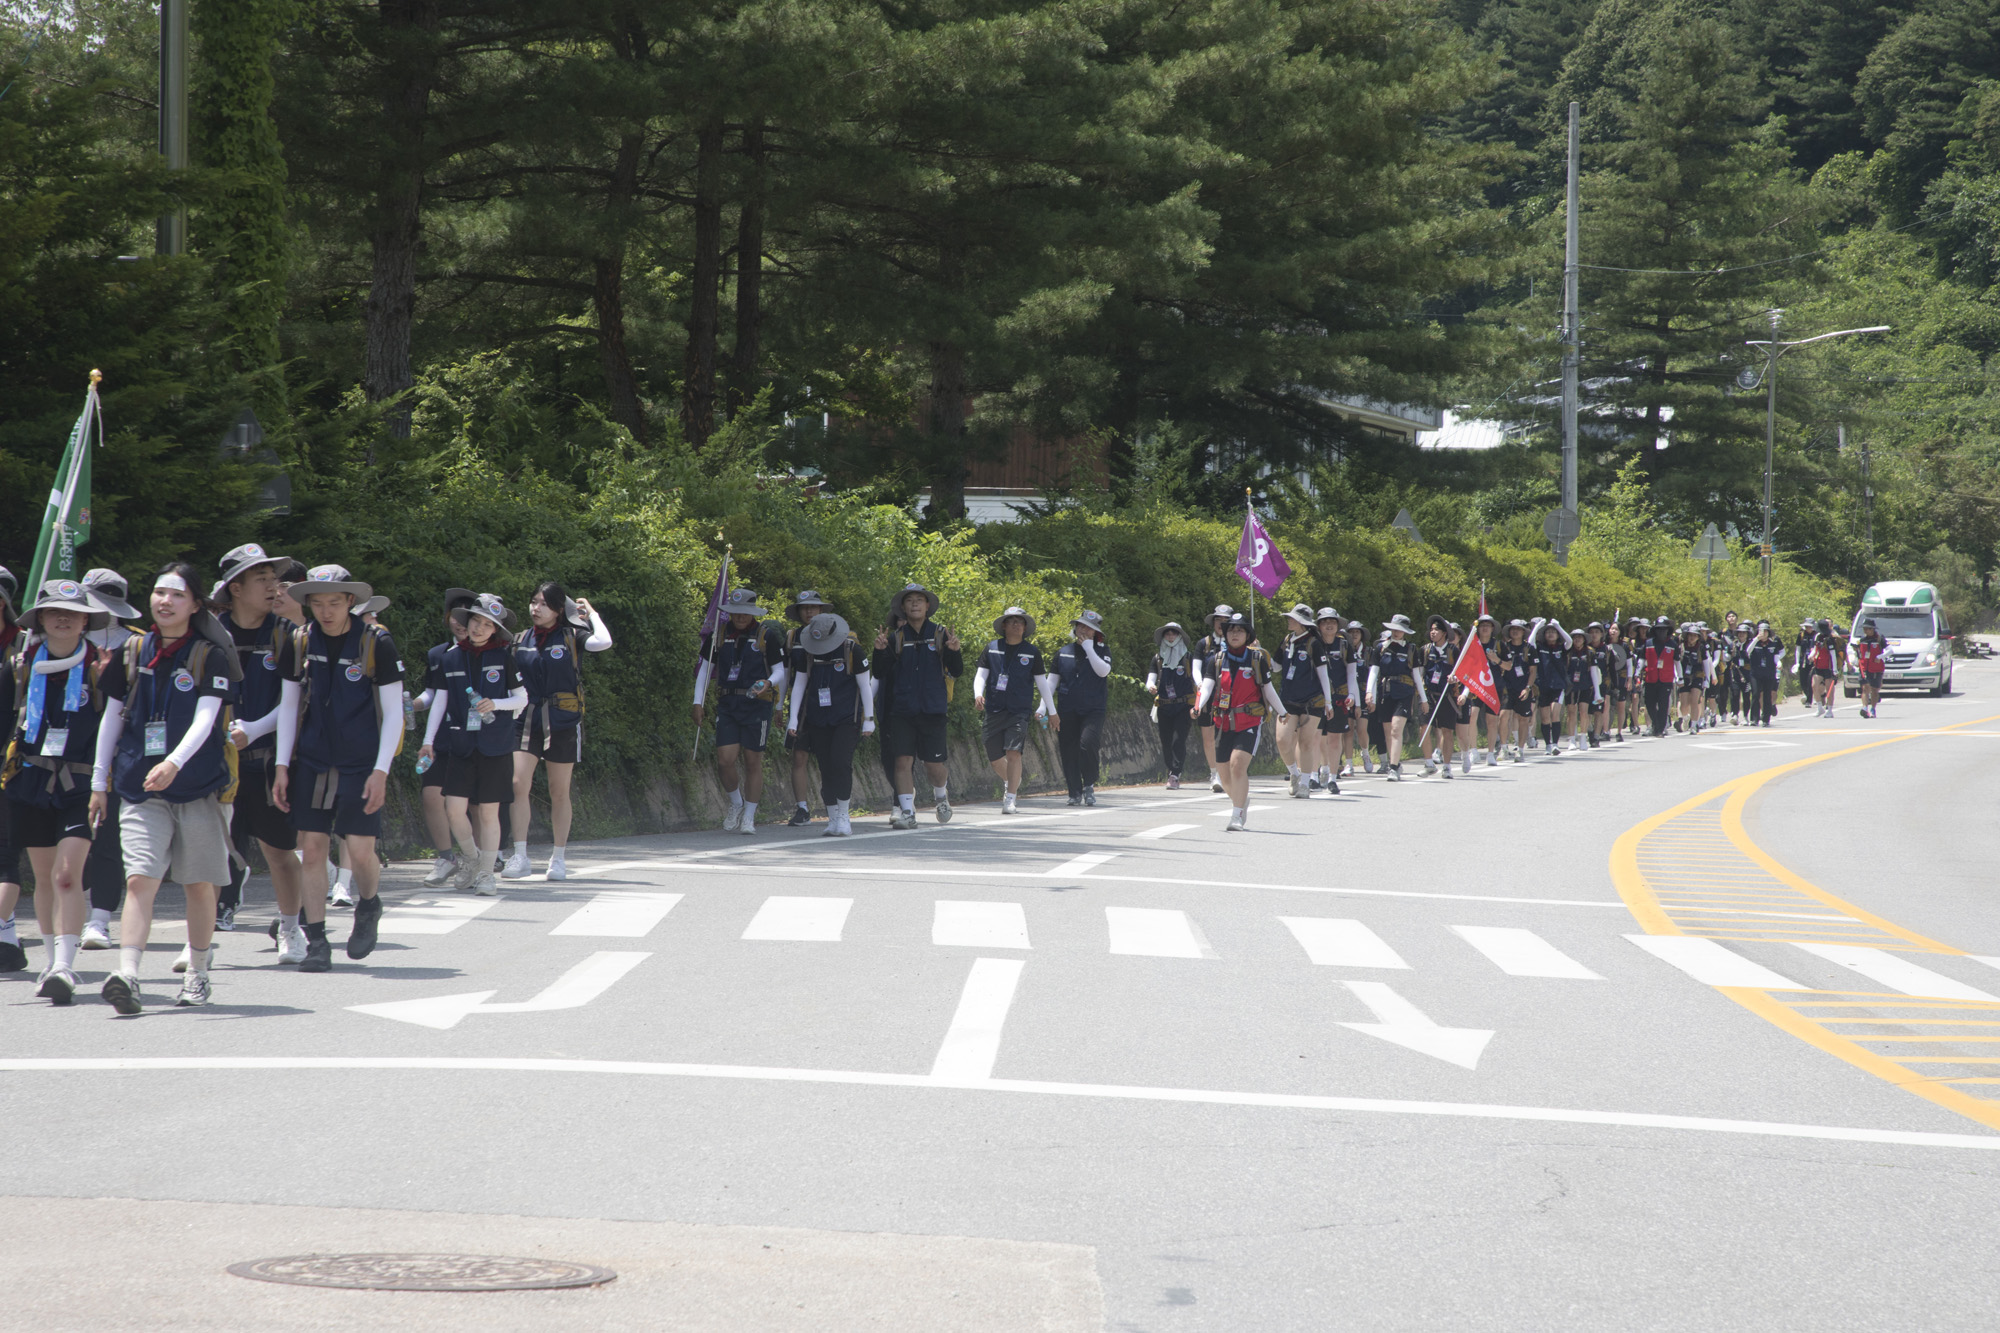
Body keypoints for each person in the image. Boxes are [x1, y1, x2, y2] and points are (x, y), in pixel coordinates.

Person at [85, 562, 244, 1011]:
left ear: (195, 604)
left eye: (176, 595)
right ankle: (128, 974)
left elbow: (206, 717)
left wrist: (174, 762)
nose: (165, 601)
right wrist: (101, 781)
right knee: (140, 879)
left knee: (198, 884)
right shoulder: (133, 651)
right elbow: (111, 718)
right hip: (139, 786)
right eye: (159, 593)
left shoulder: (209, 655)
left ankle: (197, 974)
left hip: (196, 786)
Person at [253, 564, 406, 971]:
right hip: (313, 761)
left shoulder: (376, 643)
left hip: (361, 763)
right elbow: (288, 706)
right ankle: (317, 940)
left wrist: (381, 771)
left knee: (359, 850)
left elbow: (393, 714)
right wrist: (283, 765)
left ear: (350, 602)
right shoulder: (299, 641)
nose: (326, 611)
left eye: (334, 602)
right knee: (314, 847)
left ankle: (369, 905)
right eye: (317, 603)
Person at [2, 580, 115, 1002]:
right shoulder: (20, 665)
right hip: (29, 779)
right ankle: (51, 960)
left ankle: (66, 965)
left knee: (68, 876)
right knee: (46, 877)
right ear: (41, 620)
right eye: (53, 611)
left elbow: (116, 725)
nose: (63, 618)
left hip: (82, 783)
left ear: (86, 619)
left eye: (72, 612)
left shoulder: (102, 668)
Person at [210, 544, 311, 966]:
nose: (274, 588)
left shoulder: (287, 633)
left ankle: (290, 927)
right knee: (211, 855)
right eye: (263, 581)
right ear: (236, 588)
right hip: (216, 764)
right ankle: (199, 941)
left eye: (275, 580)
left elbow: (298, 698)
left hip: (270, 762)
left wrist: (254, 729)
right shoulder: (211, 633)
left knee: (280, 853)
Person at [419, 593, 528, 891]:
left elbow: (522, 698)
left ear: (496, 630)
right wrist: (428, 741)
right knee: (454, 809)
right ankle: (471, 858)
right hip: (461, 745)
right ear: (467, 622)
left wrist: (495, 703)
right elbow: (439, 703)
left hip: (496, 746)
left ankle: (486, 874)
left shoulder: (504, 657)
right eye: (475, 622)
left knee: (489, 812)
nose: (479, 629)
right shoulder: (450, 657)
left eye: (487, 625)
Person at [503, 582, 612, 879]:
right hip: (526, 718)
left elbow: (604, 642)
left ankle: (558, 857)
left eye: (544, 604)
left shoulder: (571, 636)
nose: (536, 608)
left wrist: (591, 614)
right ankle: (520, 856)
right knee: (517, 784)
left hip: (562, 721)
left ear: (557, 610)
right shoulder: (519, 639)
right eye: (533, 602)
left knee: (558, 791)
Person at [693, 589, 789, 835]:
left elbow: (780, 670)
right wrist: (698, 702)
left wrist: (768, 683)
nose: (740, 617)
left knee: (752, 760)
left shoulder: (766, 635)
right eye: (735, 612)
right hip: (728, 704)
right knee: (725, 760)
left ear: (752, 612)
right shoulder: (720, 635)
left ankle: (749, 815)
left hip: (757, 704)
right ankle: (736, 803)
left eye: (744, 612)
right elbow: (705, 668)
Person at [871, 583, 962, 829]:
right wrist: (878, 651)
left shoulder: (941, 634)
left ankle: (941, 796)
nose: (914, 604)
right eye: (909, 600)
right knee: (902, 761)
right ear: (902, 607)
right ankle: (908, 813)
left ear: (927, 606)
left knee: (933, 765)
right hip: (902, 710)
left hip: (933, 709)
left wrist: (954, 652)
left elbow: (956, 671)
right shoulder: (896, 638)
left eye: (919, 600)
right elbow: (879, 672)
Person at [1194, 612, 1288, 830]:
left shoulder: (1256, 660)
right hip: (1223, 722)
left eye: (1240, 630)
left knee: (1238, 765)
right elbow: (1207, 685)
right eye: (1231, 630)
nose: (1235, 633)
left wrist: (1282, 711)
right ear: (1225, 634)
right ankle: (1240, 801)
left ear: (1248, 635)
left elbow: (1268, 688)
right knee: (1224, 774)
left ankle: (1236, 816)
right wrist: (1198, 706)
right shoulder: (1217, 660)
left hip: (1249, 722)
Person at [785, 611, 875, 835]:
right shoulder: (807, 652)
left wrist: (869, 720)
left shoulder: (851, 649)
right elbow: (799, 685)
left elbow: (865, 686)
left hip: (847, 718)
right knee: (825, 766)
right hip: (818, 717)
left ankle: (844, 816)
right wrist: (793, 718)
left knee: (840, 763)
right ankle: (833, 818)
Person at [413, 588, 475, 887]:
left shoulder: (489, 654)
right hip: (442, 738)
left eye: (468, 615)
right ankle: (446, 857)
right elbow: (432, 693)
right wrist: (413, 705)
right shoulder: (438, 655)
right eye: (455, 615)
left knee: (475, 802)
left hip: (476, 738)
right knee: (431, 796)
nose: (461, 622)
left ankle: (478, 856)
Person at [974, 606, 1052, 813]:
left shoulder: (1032, 652)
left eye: (1020, 621)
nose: (1016, 624)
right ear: (1004, 625)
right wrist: (977, 694)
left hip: (1019, 710)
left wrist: (1051, 710)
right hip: (994, 709)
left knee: (1014, 753)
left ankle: (1011, 798)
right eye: (1012, 621)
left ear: (1025, 627)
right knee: (994, 758)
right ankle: (1011, 781)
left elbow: (1042, 683)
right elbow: (981, 675)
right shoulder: (991, 648)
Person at [779, 590, 831, 827]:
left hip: (829, 704)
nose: (809, 611)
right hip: (800, 706)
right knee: (799, 756)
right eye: (804, 607)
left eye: (813, 607)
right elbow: (786, 673)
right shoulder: (792, 637)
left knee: (829, 757)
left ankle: (835, 804)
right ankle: (802, 809)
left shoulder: (833, 634)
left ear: (821, 610)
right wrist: (780, 706)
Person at [1053, 610, 1113, 807]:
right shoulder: (1063, 652)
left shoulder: (1102, 650)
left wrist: (1089, 647)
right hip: (1067, 708)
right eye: (1080, 625)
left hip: (1093, 709)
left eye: (1088, 627)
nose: (1082, 630)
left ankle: (1089, 784)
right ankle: (1074, 791)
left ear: (1095, 632)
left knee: (1087, 744)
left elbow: (1103, 671)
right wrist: (1043, 707)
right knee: (1068, 749)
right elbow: (1052, 681)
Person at [1366, 614, 1426, 780]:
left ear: (1405, 631)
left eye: (1400, 630)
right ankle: (1396, 763)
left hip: (1404, 693)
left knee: (1395, 729)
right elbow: (1374, 671)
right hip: (1385, 692)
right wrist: (1369, 692)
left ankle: (1392, 768)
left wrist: (1424, 699)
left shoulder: (1411, 649)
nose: (1396, 632)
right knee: (1387, 731)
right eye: (1394, 629)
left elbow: (1416, 676)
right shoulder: (1380, 648)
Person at [1274, 604, 1326, 798]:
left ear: (1302, 622)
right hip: (1287, 699)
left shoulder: (1314, 643)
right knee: (1282, 740)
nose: (1288, 620)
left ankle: (1304, 783)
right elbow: (1276, 667)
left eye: (1292, 618)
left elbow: (1323, 673)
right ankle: (1294, 773)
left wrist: (1328, 702)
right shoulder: (1287, 640)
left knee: (1306, 742)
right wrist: (1258, 651)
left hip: (1312, 701)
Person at [1146, 621, 1195, 790]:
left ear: (1180, 636)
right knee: (1166, 741)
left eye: (1174, 633)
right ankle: (1171, 770)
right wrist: (1150, 687)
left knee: (1178, 740)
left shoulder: (1188, 657)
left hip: (1183, 706)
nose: (1171, 636)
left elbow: (1197, 677)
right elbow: (1151, 677)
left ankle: (1175, 774)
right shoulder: (1158, 658)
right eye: (1168, 634)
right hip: (1164, 706)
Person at [1191, 605, 1233, 792]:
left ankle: (1228, 771)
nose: (1221, 624)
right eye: (1218, 620)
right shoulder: (1204, 644)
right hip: (1209, 694)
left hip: (1230, 695)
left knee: (1228, 734)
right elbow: (1195, 667)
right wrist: (1200, 685)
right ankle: (1214, 773)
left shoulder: (1237, 643)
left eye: (1225, 621)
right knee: (1208, 737)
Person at [1312, 608, 1353, 791]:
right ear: (1319, 625)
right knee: (1314, 737)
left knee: (1334, 738)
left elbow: (1351, 672)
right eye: (1325, 622)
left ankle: (1332, 778)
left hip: (1338, 698)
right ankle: (1313, 775)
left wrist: (1352, 695)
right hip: (1316, 697)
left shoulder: (1344, 645)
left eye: (1333, 622)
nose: (1329, 625)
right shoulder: (1313, 644)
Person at [1420, 615, 1464, 778]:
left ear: (1444, 633)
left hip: (1447, 696)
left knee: (1447, 731)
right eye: (1431, 629)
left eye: (1436, 630)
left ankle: (1446, 766)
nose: (1432, 632)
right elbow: (1420, 672)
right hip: (1428, 695)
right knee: (1423, 727)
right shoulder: (1425, 650)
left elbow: (1462, 673)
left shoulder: (1454, 651)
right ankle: (1429, 763)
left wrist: (1456, 678)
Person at [1494, 619, 1534, 761]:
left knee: (1523, 719)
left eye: (1518, 629)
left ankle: (1520, 749)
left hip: (1523, 688)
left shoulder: (1529, 648)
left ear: (1523, 632)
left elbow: (1533, 671)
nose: (1515, 631)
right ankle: (1504, 748)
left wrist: (1528, 688)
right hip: (1506, 687)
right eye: (1512, 629)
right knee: (1503, 716)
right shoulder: (1503, 647)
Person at [1531, 619, 1568, 754]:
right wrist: (1538, 627)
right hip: (1543, 686)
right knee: (1545, 717)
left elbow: (1569, 641)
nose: (1551, 634)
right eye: (1548, 632)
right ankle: (1548, 744)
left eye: (1554, 632)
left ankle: (1555, 744)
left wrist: (1558, 625)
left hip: (1558, 686)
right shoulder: (1540, 647)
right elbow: (1530, 643)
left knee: (1555, 714)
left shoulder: (1561, 648)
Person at [1747, 621, 1782, 725]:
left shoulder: (1773, 644)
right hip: (1756, 673)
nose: (1763, 633)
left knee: (1767, 695)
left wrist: (1779, 663)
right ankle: (1754, 718)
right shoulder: (1754, 643)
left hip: (1769, 673)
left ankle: (1766, 719)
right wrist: (1756, 639)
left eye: (1765, 631)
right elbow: (1748, 652)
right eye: (1761, 631)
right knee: (1756, 694)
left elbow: (1776, 658)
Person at [1675, 624, 1708, 732]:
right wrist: (1677, 676)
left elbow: (1706, 664)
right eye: (1690, 635)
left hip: (1697, 676)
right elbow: (1676, 662)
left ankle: (1693, 725)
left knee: (1694, 700)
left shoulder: (1701, 648)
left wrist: (1707, 679)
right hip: (1684, 676)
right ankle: (1685, 718)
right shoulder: (1680, 647)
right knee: (1684, 703)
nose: (1692, 637)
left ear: (1698, 637)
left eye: (1695, 635)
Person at [1809, 617, 1843, 717]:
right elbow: (1815, 648)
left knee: (1829, 689)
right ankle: (1820, 707)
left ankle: (1830, 709)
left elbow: (1832, 654)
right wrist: (1811, 655)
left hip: (1828, 667)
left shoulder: (1830, 639)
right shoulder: (1817, 637)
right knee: (1814, 685)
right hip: (1818, 665)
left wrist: (1835, 669)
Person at [1853, 618, 1886, 718]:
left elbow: (1890, 651)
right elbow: (1859, 653)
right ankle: (1864, 708)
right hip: (1864, 668)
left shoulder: (1879, 639)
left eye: (1867, 629)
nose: (1865, 631)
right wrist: (1856, 661)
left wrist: (1879, 657)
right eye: (1864, 629)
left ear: (1872, 629)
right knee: (1865, 688)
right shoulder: (1862, 640)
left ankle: (1873, 709)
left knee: (1874, 690)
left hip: (1876, 668)